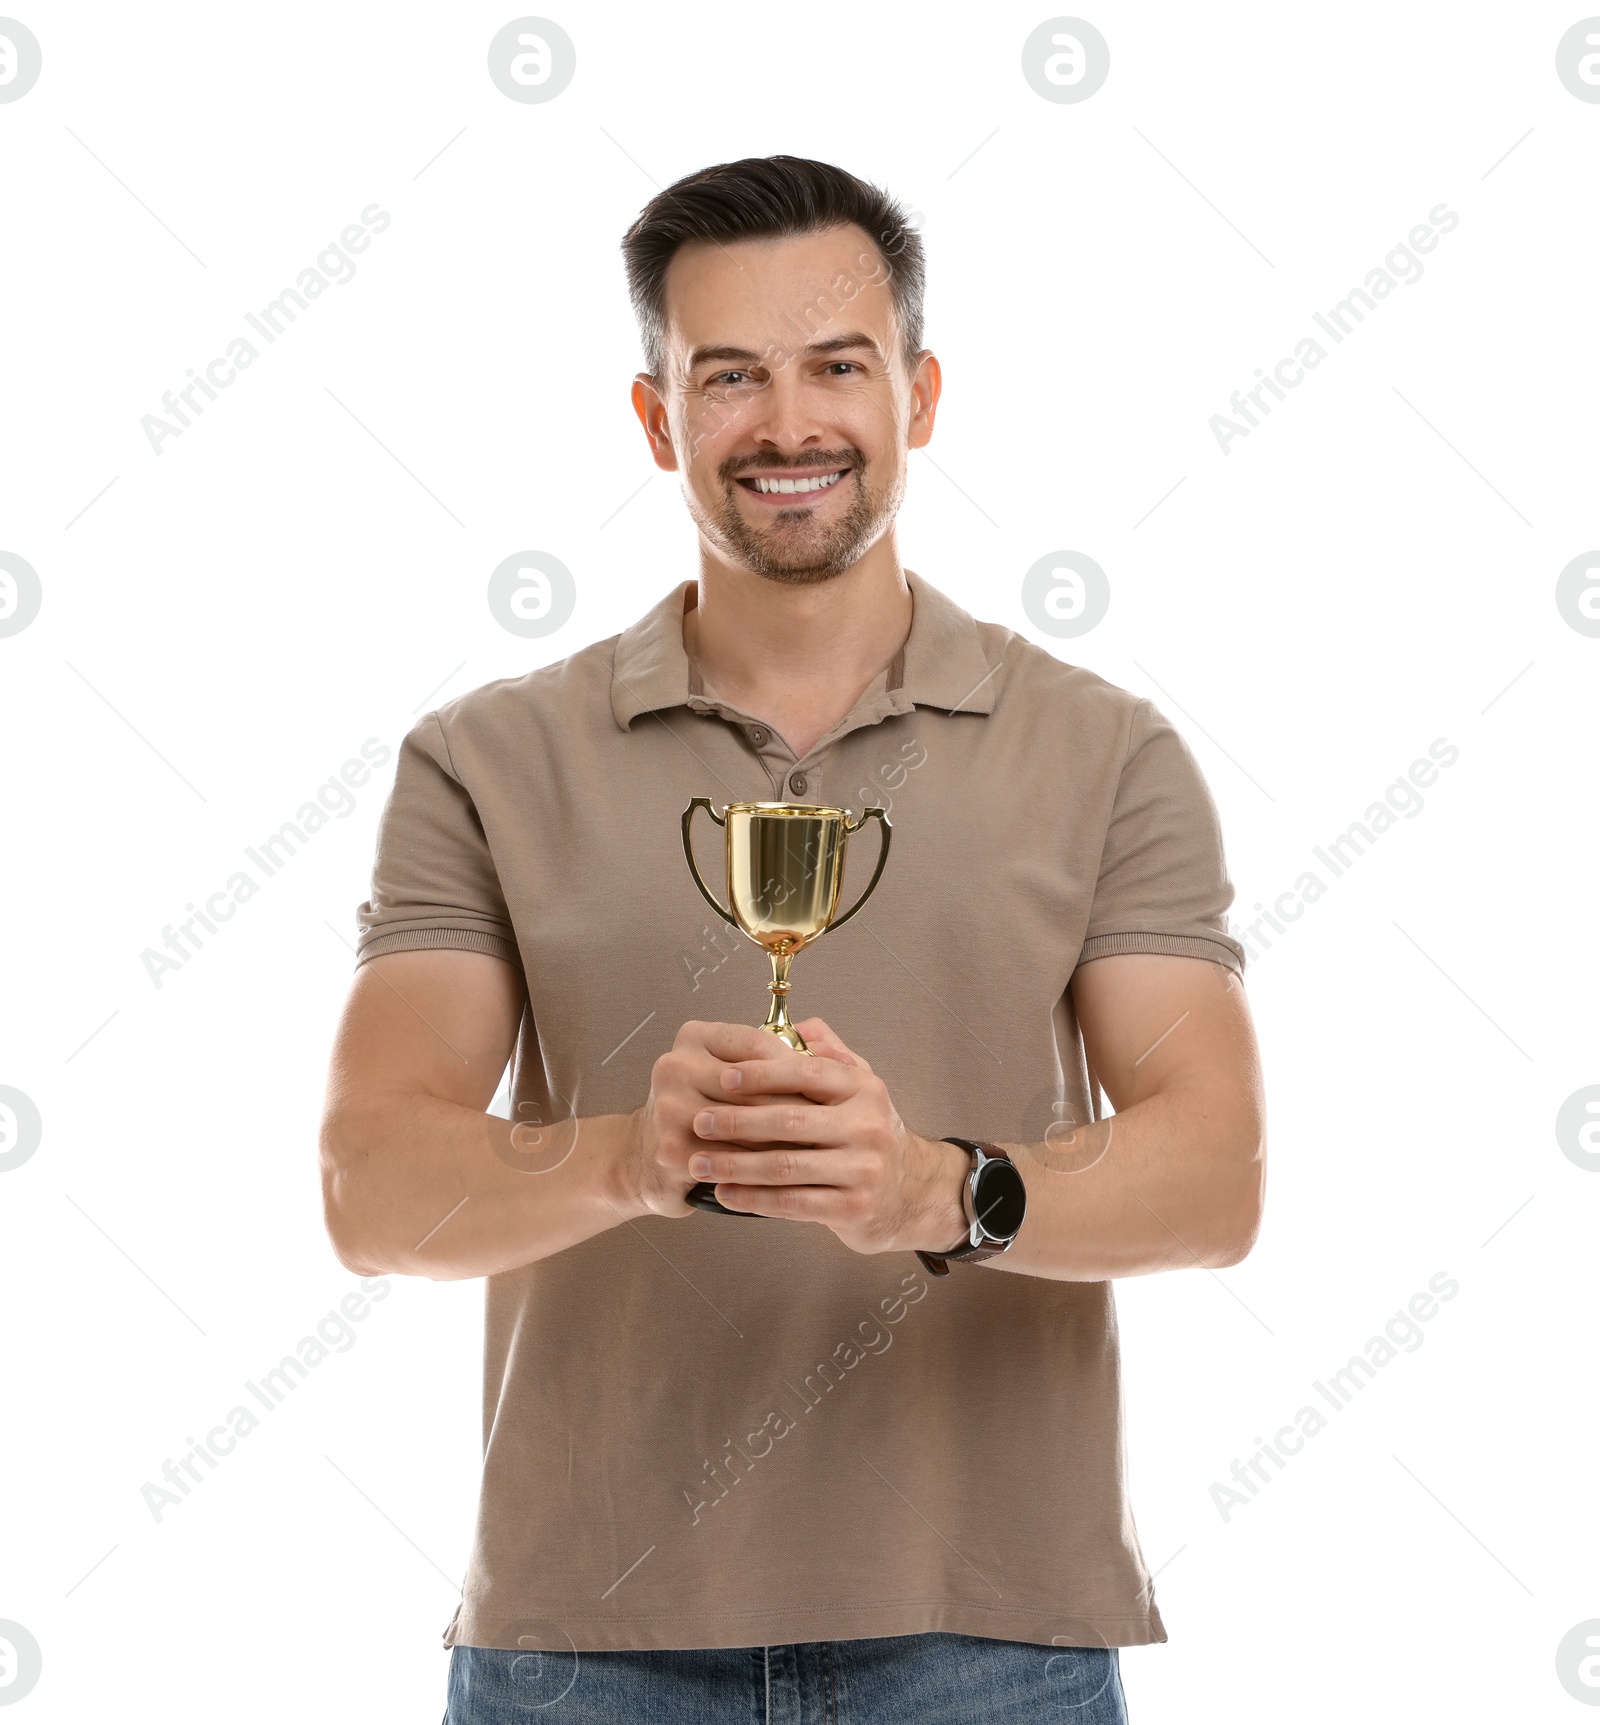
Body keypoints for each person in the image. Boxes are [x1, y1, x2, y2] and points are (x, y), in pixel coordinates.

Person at [319, 154, 1266, 1725]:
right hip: (583, 1647)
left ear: (922, 393)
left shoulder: (1106, 751)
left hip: (992, 1641)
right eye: (729, 376)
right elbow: (369, 1184)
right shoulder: (485, 758)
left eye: (839, 366)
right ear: (656, 419)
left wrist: (938, 1187)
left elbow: (1220, 1172)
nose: (789, 424)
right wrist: (626, 1158)